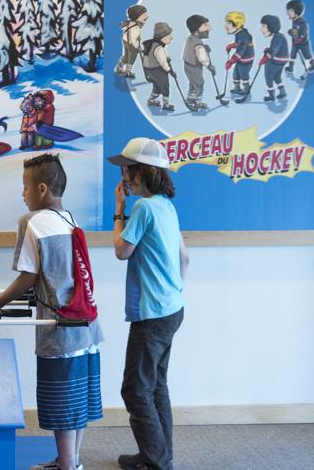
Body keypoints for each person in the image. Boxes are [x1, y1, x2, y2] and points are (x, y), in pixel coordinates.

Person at [0, 154, 104, 470]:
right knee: (77, 401)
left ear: (41, 189)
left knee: (62, 402)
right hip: (86, 324)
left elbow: (28, 277)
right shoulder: (69, 218)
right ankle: (71, 460)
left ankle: (67, 465)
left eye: (25, 187)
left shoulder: (32, 221)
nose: (22, 194)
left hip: (60, 328)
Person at [108, 138, 189, 470]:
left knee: (135, 391)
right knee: (155, 387)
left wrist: (119, 209)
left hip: (152, 314)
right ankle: (158, 455)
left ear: (138, 174)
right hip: (171, 308)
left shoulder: (142, 208)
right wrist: (172, 290)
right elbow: (184, 257)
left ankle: (157, 462)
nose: (123, 176)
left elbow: (121, 250)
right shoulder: (166, 206)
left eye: (126, 170)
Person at [182, 15, 213, 110]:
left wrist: (204, 48)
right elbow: (202, 58)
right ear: (196, 30)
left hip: (187, 65)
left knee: (193, 83)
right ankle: (197, 101)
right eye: (205, 25)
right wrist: (209, 66)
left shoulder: (190, 38)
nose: (209, 28)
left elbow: (193, 50)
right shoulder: (198, 43)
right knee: (199, 83)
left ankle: (190, 99)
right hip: (194, 67)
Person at [142, 23, 175, 111]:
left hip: (149, 70)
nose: (171, 37)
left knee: (157, 86)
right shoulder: (159, 48)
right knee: (165, 86)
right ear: (163, 36)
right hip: (157, 70)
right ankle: (166, 104)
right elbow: (163, 62)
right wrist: (170, 70)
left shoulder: (151, 44)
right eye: (169, 35)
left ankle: (152, 100)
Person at [223, 11, 254, 98]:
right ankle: (237, 88)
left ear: (237, 24)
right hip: (241, 59)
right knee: (236, 73)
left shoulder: (243, 36)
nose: (225, 26)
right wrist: (232, 45)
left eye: (229, 23)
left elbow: (240, 51)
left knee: (243, 74)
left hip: (246, 59)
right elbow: (239, 44)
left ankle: (246, 88)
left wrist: (230, 62)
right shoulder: (239, 33)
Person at [259, 14, 290, 101]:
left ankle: (271, 95)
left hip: (276, 60)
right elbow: (276, 48)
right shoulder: (280, 36)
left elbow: (274, 50)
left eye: (263, 26)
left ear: (271, 27)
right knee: (277, 76)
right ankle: (282, 91)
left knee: (268, 75)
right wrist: (268, 50)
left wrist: (265, 58)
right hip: (282, 60)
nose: (261, 29)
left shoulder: (277, 37)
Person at [286, 0, 314, 74]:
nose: (288, 12)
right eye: (287, 10)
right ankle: (291, 67)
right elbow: (295, 30)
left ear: (296, 11)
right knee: (292, 54)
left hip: (303, 43)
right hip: (295, 42)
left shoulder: (302, 21)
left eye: (290, 10)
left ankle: (313, 64)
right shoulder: (294, 20)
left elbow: (304, 30)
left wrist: (301, 38)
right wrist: (292, 32)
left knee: (307, 54)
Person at [115, 4, 148, 78]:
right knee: (132, 57)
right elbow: (133, 39)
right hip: (131, 44)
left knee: (126, 56)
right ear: (137, 16)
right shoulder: (135, 27)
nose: (146, 17)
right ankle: (128, 71)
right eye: (144, 15)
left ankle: (119, 66)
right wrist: (138, 47)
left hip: (125, 41)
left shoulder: (130, 23)